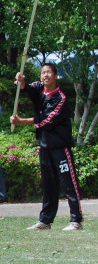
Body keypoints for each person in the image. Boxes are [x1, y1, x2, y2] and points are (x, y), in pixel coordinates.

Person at [11, 64, 82, 230]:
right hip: (44, 146)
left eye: (49, 72)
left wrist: (21, 122)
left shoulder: (60, 98)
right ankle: (45, 220)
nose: (45, 75)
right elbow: (28, 89)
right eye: (43, 72)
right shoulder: (39, 88)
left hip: (60, 147)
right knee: (48, 184)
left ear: (55, 76)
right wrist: (21, 83)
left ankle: (75, 221)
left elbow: (46, 121)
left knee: (68, 183)